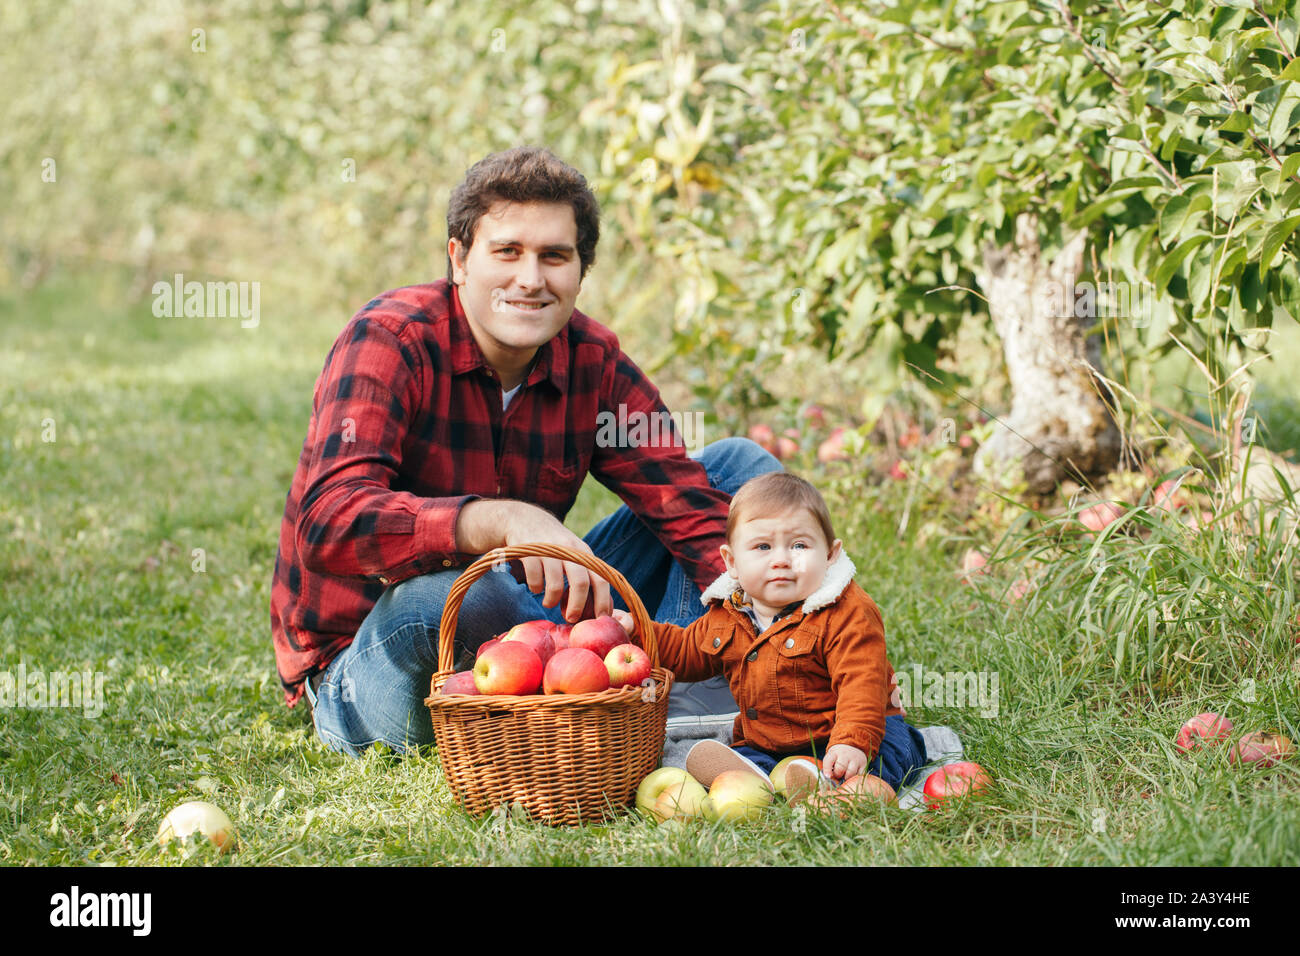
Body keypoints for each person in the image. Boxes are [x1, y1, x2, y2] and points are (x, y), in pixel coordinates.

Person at [270, 146, 779, 756]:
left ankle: (687, 682)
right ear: (459, 259)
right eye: (507, 251)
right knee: (473, 589)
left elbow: (688, 506)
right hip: (376, 659)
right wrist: (497, 518)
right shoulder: (392, 340)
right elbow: (327, 523)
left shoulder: (591, 359)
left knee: (740, 475)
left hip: (536, 630)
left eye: (554, 256)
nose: (531, 278)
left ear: (580, 272)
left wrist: (814, 632)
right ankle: (643, 701)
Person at [613, 471, 927, 794]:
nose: (781, 559)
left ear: (830, 555)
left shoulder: (846, 612)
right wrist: (637, 632)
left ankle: (855, 788)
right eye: (763, 546)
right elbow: (684, 650)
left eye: (799, 545)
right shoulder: (729, 612)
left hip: (853, 728)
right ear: (732, 562)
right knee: (753, 755)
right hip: (771, 741)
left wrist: (852, 741)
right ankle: (758, 774)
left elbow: (862, 683)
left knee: (887, 753)